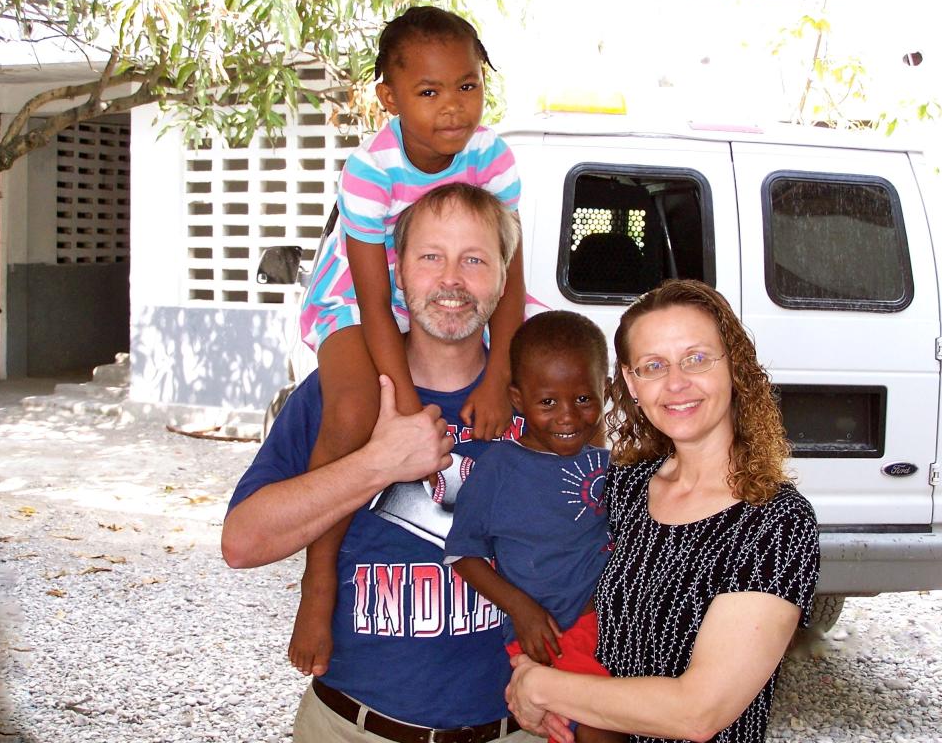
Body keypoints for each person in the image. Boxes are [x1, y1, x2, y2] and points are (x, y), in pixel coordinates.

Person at [222, 184, 539, 743]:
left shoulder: (544, 403)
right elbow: (243, 543)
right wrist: (378, 463)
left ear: (504, 276)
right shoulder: (341, 392)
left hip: (515, 728)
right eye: (430, 257)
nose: (451, 280)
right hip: (351, 726)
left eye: (474, 259)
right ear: (397, 271)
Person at [292, 4, 526, 678]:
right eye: (428, 92)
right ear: (389, 99)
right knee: (351, 411)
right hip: (360, 297)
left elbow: (509, 276)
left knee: (543, 367)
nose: (454, 107)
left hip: (446, 285)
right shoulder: (370, 170)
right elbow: (372, 301)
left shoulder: (492, 156)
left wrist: (494, 375)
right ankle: (319, 578)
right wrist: (398, 406)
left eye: (468, 85)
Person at [504, 279, 820, 743]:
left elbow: (698, 711)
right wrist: (537, 677)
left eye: (695, 358)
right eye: (653, 366)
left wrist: (542, 686)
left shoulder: (776, 523)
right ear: (631, 383)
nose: (676, 383)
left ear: (733, 365)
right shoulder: (624, 488)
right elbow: (556, 587)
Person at [445, 311, 627, 743]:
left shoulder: (610, 465)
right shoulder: (499, 470)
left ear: (606, 392)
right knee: (603, 730)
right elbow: (463, 554)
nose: (567, 416)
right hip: (547, 637)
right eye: (548, 402)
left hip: (612, 631)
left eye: (584, 399)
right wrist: (521, 610)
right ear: (518, 398)